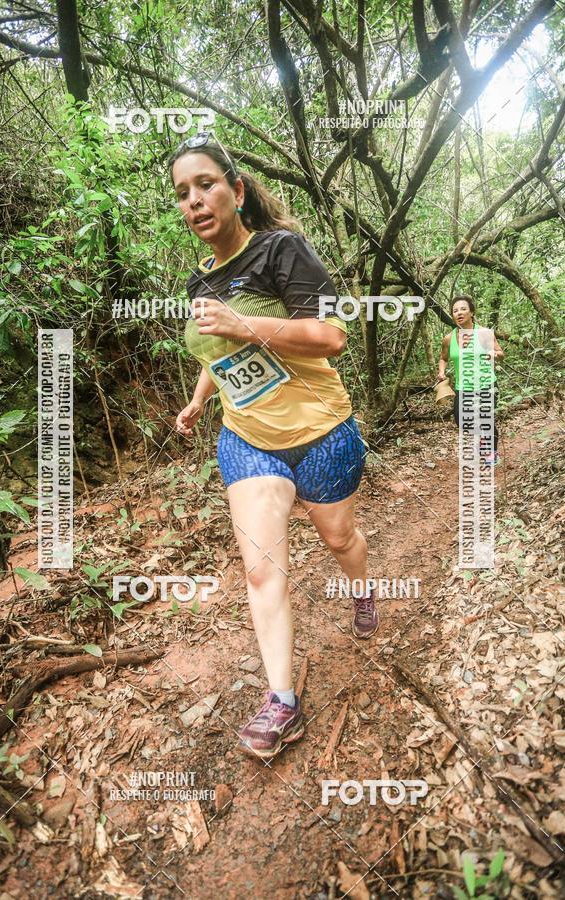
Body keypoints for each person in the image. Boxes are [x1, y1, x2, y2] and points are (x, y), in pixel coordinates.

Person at [169, 132, 376, 760]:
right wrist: (201, 397)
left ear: (236, 189)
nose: (195, 201)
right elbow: (220, 350)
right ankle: (281, 701)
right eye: (182, 194)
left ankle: (363, 588)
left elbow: (332, 336)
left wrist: (247, 323)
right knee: (262, 569)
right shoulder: (198, 284)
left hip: (320, 432)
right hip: (248, 440)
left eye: (205, 185)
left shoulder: (284, 250)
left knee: (339, 538)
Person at [437, 295, 504, 464]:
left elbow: (501, 353)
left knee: (485, 418)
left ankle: (492, 452)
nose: (459, 312)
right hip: (463, 387)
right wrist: (441, 371)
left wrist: (494, 354)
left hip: (486, 384)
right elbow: (443, 358)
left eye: (463, 309)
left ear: (472, 312)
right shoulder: (449, 338)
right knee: (461, 421)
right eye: (455, 310)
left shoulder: (484, 333)